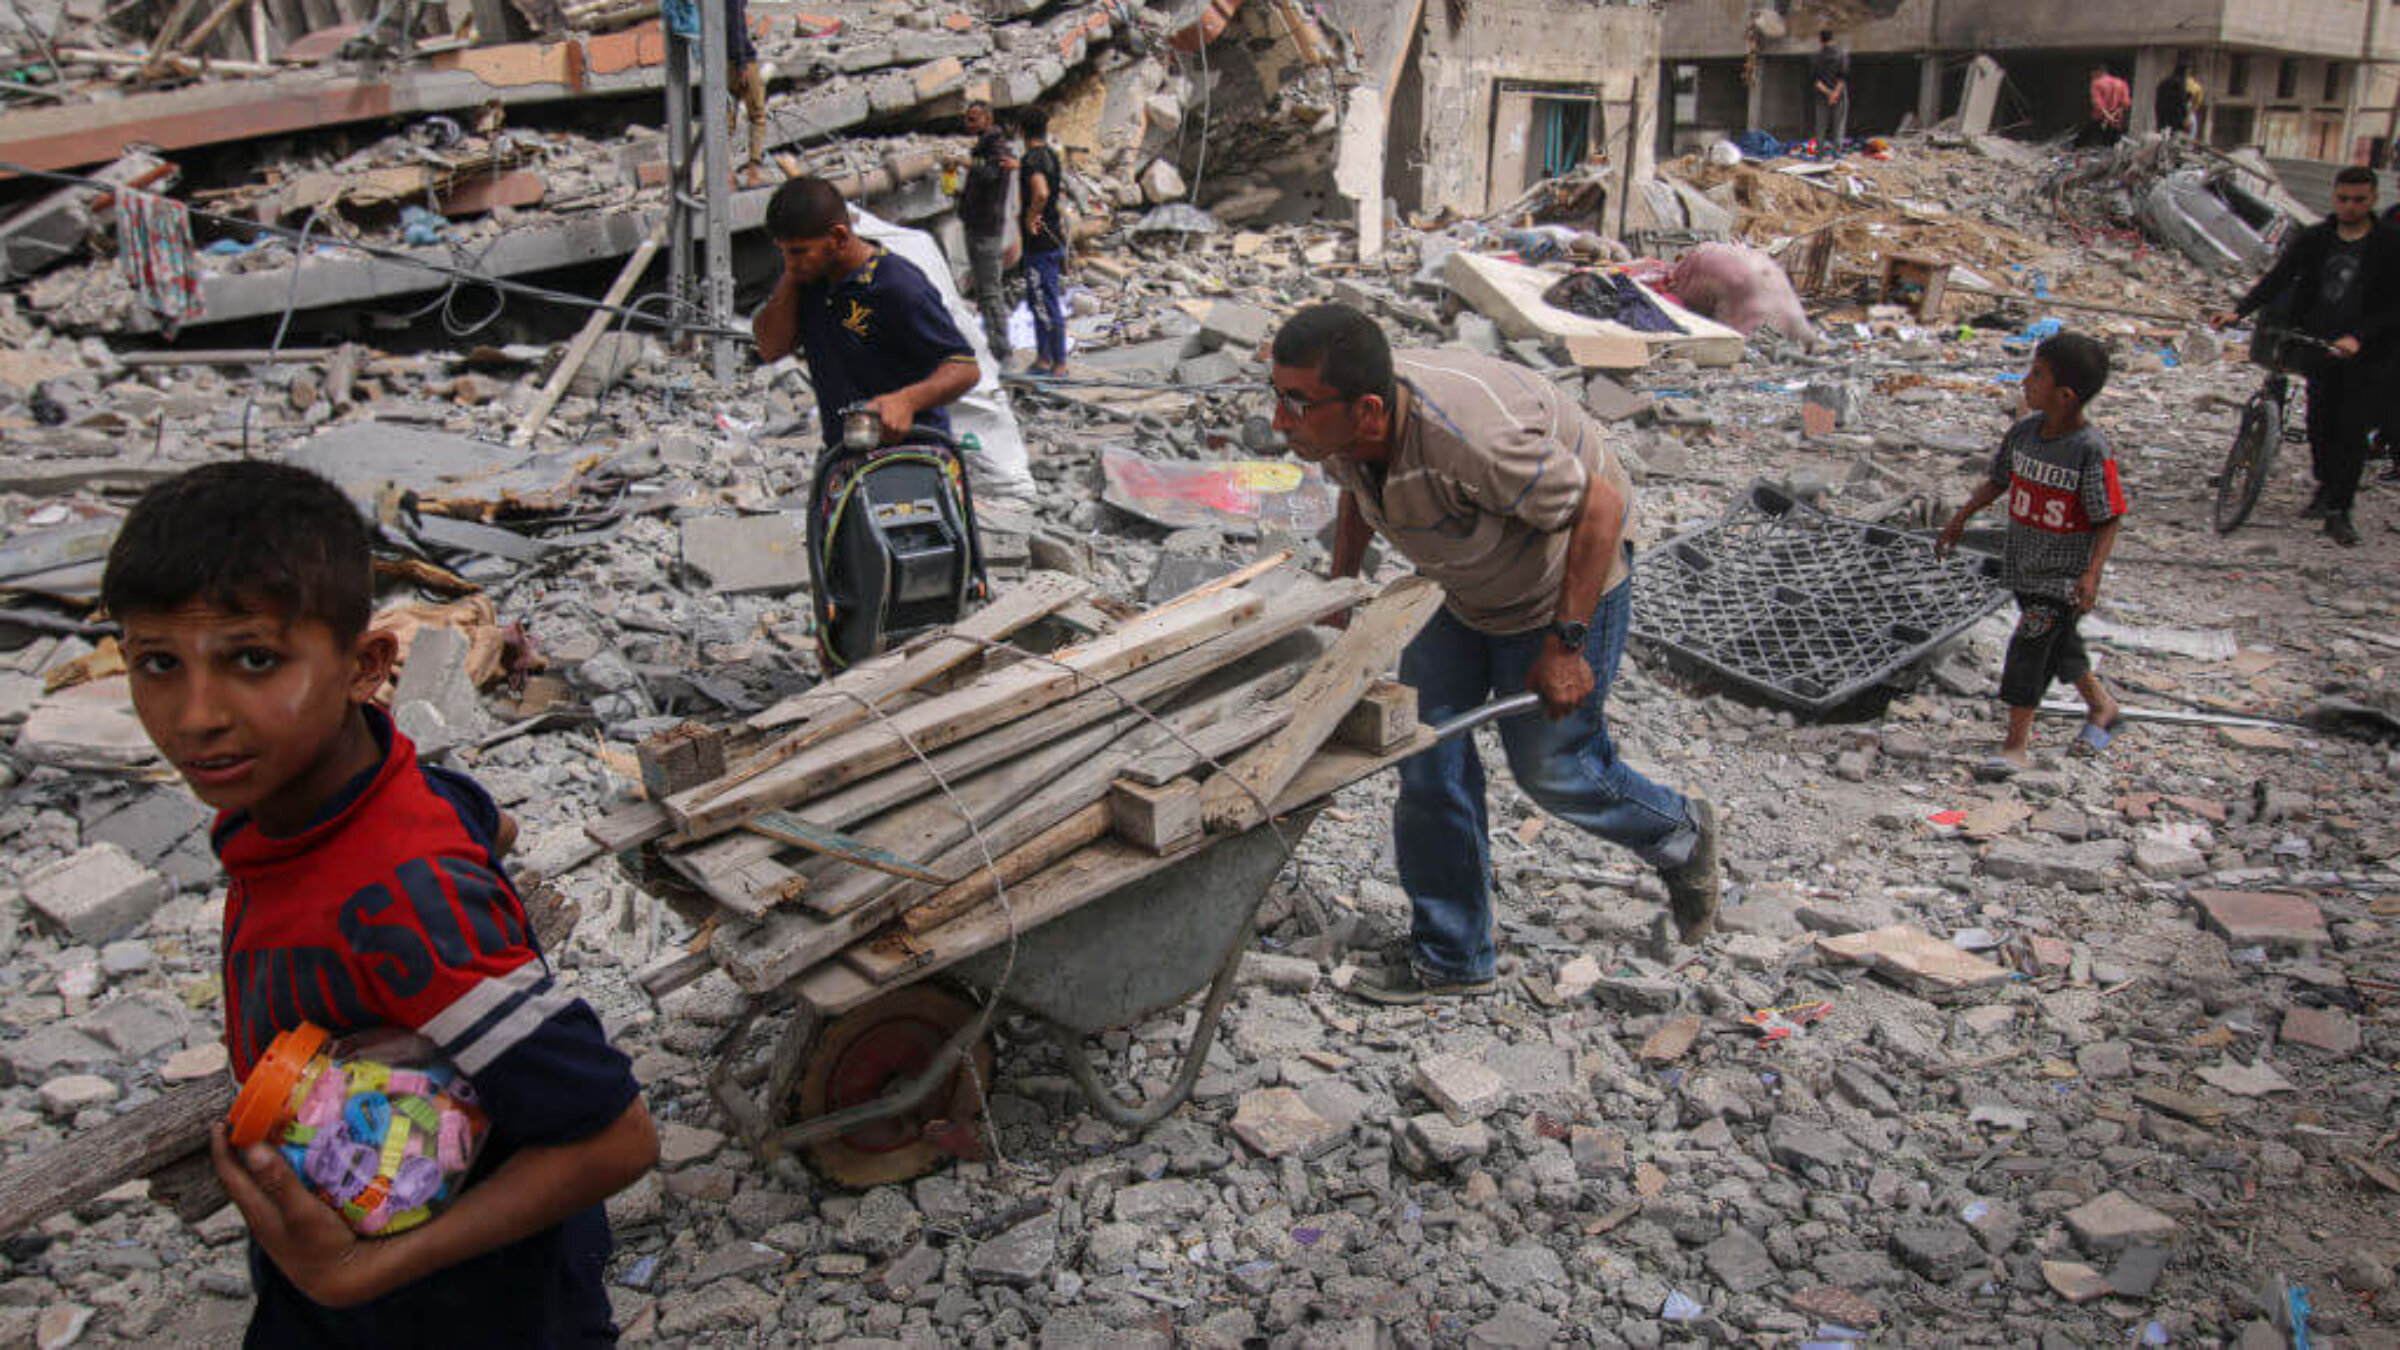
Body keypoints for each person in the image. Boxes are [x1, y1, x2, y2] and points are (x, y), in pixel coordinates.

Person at [99, 461, 658, 1344]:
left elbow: (616, 1139)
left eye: (253, 659)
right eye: (157, 664)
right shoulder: (317, 792)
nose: (195, 715)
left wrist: (356, 1272)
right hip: (361, 1203)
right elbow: (490, 824)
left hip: (455, 1305)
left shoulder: (399, 901)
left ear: (366, 667)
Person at [1267, 304, 1721, 1004]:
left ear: (1364, 410)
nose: (1278, 419)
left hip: (1558, 585)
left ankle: (1679, 833)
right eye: (1275, 395)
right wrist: (1343, 588)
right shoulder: (1347, 432)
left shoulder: (1471, 440)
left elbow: (1597, 511)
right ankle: (1454, 955)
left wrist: (1567, 645)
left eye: (1295, 402)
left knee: (1556, 772)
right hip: (1458, 583)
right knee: (1423, 750)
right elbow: (1358, 488)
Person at [1935, 334, 2127, 775]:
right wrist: (1961, 517)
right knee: (2059, 646)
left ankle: (2015, 745)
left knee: (2028, 650)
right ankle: (2103, 708)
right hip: (2024, 565)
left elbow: (2109, 516)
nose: (2025, 381)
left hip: (2061, 576)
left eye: (2036, 374)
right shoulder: (2024, 434)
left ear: (2065, 396)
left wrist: (2091, 575)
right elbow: (1999, 480)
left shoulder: (2089, 450)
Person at [2212, 164, 2400, 546]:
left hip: (2367, 357)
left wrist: (2359, 338)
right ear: (2335, 198)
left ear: (2373, 199)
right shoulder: (2316, 239)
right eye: (2343, 199)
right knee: (2319, 426)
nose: (2349, 206)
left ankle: (2338, 510)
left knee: (2351, 432)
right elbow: (2281, 277)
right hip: (2319, 348)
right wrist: (2240, 311)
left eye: (2358, 200)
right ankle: (2326, 487)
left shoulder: (2390, 244)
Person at [754, 175, 982, 447]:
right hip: (846, 454)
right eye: (784, 253)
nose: (791, 263)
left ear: (838, 237)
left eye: (799, 252)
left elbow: (964, 368)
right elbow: (771, 348)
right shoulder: (807, 281)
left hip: (912, 451)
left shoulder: (896, 285)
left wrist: (907, 401)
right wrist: (790, 278)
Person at [953, 101, 1018, 360]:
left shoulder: (996, 146)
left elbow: (991, 174)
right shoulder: (986, 145)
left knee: (990, 290)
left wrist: (965, 163)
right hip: (979, 225)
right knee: (984, 289)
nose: (969, 125)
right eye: (967, 119)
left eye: (973, 119)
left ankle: (1003, 352)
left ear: (988, 118)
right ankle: (994, 345)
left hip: (986, 228)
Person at [1016, 105, 1070, 377]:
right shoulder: (1050, 154)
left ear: (1021, 130)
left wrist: (1030, 216)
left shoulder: (1032, 160)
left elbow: (1041, 192)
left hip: (1039, 241)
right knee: (1042, 298)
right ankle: (1045, 359)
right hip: (1052, 236)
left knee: (1043, 300)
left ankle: (1056, 363)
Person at [725, 0, 767, 184]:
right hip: (741, 62)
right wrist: (741, 61)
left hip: (723, 61)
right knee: (757, 116)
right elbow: (735, 26)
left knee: (726, 123)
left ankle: (727, 175)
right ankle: (754, 172)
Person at [1809, 29, 1850, 150]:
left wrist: (1828, 93)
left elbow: (1815, 80)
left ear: (1820, 41)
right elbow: (1843, 77)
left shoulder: (1816, 57)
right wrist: (1835, 94)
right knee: (1838, 125)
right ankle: (1836, 153)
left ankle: (1819, 154)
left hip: (1822, 95)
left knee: (1821, 125)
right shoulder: (1842, 55)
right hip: (1839, 95)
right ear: (1833, 39)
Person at [2085, 64, 2131, 147]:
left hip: (2100, 118)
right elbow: (2126, 103)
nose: (2091, 76)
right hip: (2117, 119)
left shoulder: (2096, 83)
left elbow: (2097, 104)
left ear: (2099, 71)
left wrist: (2108, 117)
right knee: (2114, 145)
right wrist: (2114, 115)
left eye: (2092, 73)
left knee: (2098, 144)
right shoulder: (2122, 83)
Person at [2154, 60, 2192, 140]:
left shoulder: (2164, 81)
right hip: (2175, 118)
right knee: (2174, 140)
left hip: (2162, 116)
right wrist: (2185, 116)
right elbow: (2181, 101)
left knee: (2163, 138)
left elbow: (2158, 98)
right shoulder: (2179, 83)